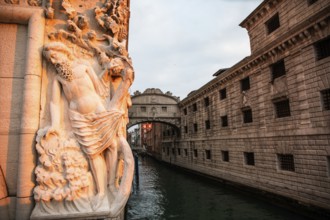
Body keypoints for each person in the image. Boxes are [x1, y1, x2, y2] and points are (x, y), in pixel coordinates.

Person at [43, 41, 134, 212]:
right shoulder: (58, 79)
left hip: (98, 110)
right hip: (78, 117)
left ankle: (112, 185)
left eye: (54, 56)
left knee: (113, 145)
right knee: (93, 154)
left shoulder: (84, 66)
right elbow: (55, 103)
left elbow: (99, 86)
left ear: (63, 51)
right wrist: (54, 124)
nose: (54, 61)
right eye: (50, 61)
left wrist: (108, 70)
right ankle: (100, 192)